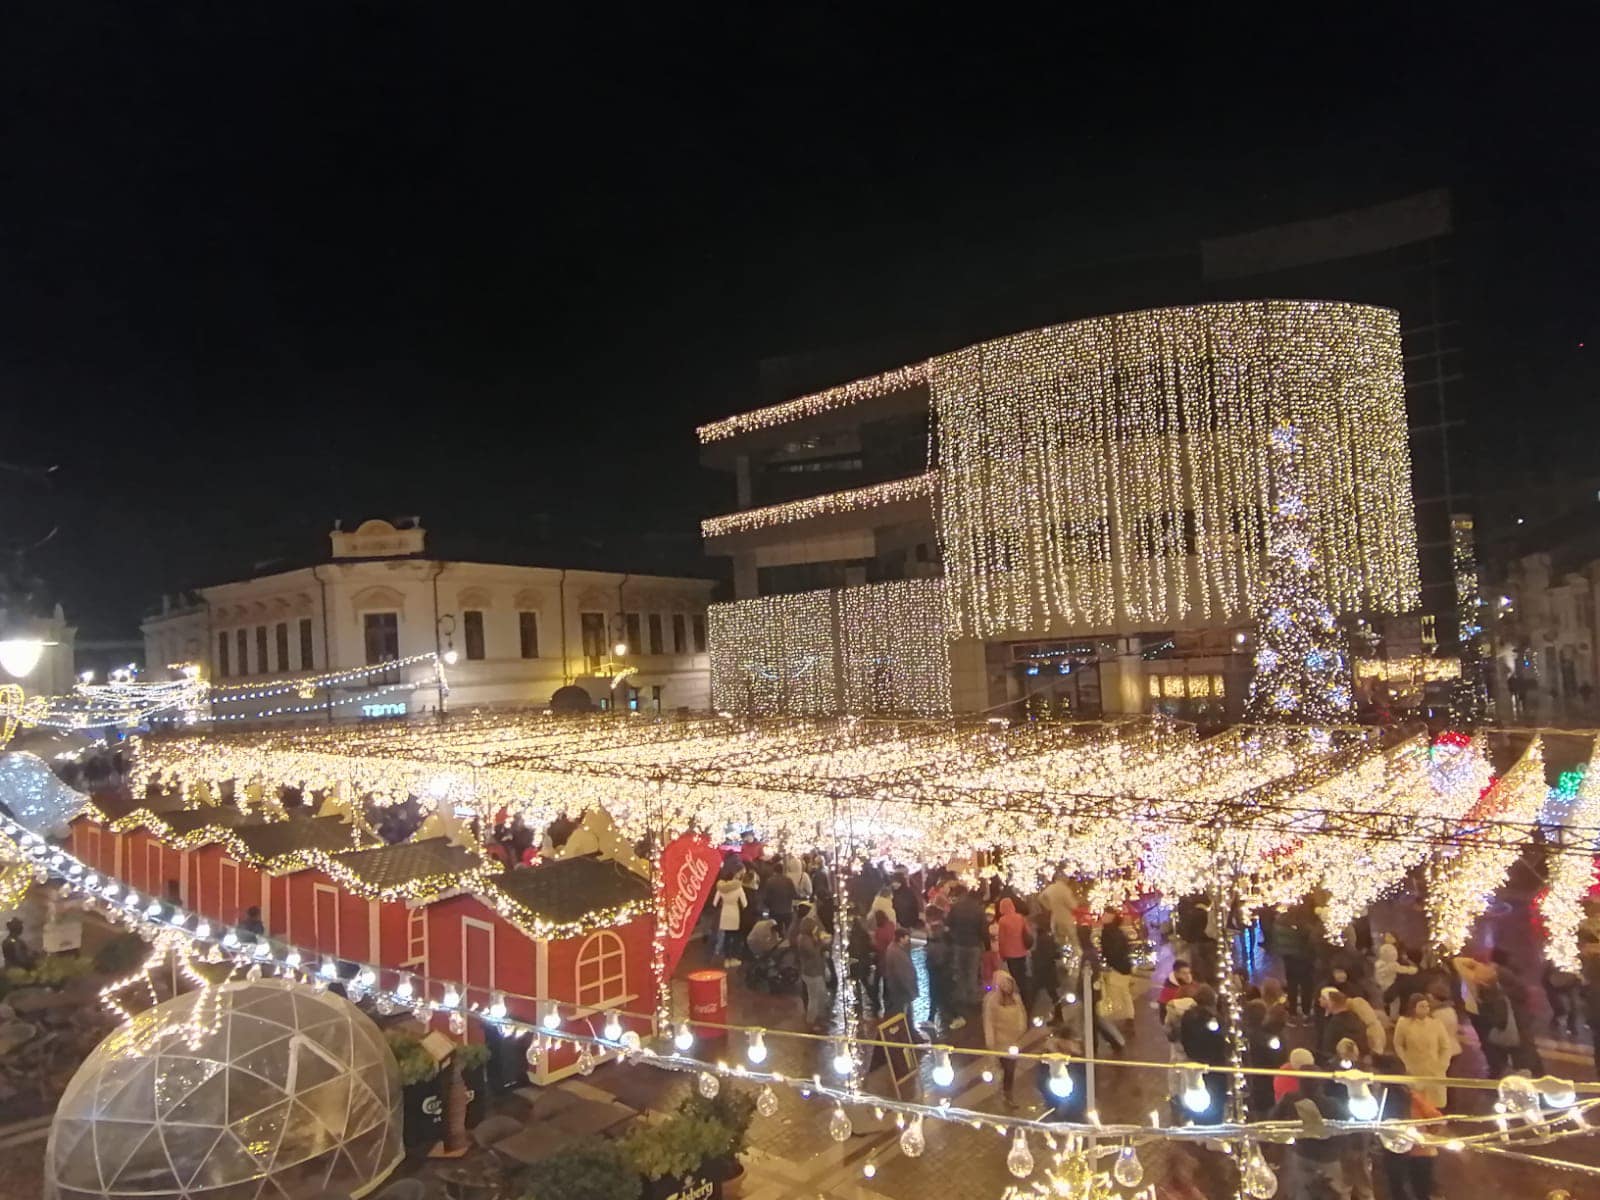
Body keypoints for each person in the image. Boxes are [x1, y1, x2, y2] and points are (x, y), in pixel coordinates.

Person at [1373, 1055, 1443, 1200]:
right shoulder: (1408, 1094)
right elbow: (1437, 1119)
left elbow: (1437, 1119)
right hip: (1418, 1152)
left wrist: (1421, 1136)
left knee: (1404, 1190)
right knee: (1418, 1192)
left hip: (1412, 1153)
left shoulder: (1399, 1096)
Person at [1270, 1076, 1350, 1198]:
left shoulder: (1291, 1099)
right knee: (1333, 1193)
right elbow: (1347, 1129)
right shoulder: (1333, 1104)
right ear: (1321, 1083)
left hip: (1302, 1154)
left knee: (1302, 1194)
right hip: (1328, 1157)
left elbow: (1273, 1119)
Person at [1178, 984, 1229, 1122]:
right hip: (1213, 1066)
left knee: (1195, 1095)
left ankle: (1198, 1125)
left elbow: (1183, 1038)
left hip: (1193, 1062)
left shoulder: (1187, 1016)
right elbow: (1221, 1042)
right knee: (1215, 1100)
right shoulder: (1214, 1020)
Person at [1392, 992, 1452, 1109]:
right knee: (1417, 1103)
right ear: (1414, 1008)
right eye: (1421, 1006)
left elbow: (1445, 1047)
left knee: (1434, 1105)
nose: (1425, 1009)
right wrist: (1405, 1062)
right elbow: (1398, 1044)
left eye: (1427, 1006)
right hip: (1414, 1069)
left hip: (1434, 1070)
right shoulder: (1404, 1023)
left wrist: (1442, 1064)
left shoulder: (1436, 1023)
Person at [983, 968, 1030, 1107]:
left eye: (1008, 983)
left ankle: (1006, 1092)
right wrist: (990, 1042)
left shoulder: (1016, 999)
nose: (1007, 987)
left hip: (1013, 1042)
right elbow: (989, 1022)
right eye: (1003, 984)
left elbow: (1022, 1015)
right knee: (1006, 1069)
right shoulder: (992, 1002)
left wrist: (1021, 1029)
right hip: (1000, 1043)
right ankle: (1006, 1094)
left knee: (1010, 1070)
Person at [945, 884, 987, 1029]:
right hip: (974, 945)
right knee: (972, 972)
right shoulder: (978, 909)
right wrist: (986, 945)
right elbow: (983, 929)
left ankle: (962, 996)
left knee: (961, 971)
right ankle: (972, 998)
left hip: (959, 944)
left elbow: (948, 923)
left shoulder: (956, 907)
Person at [1271, 905, 1317, 1020]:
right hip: (1304, 959)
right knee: (1306, 986)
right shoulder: (1301, 925)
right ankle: (1306, 1013)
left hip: (1288, 959)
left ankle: (1292, 1013)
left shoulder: (1279, 923)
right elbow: (1310, 939)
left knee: (1292, 985)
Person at [794, 914, 831, 1031]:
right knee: (814, 998)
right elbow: (813, 953)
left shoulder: (806, 937)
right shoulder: (805, 940)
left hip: (814, 971)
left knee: (821, 995)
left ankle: (819, 1018)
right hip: (812, 973)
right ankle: (811, 1022)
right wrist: (821, 943)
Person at [1099, 911, 1135, 1030]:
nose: (1103, 916)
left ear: (1111, 918)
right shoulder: (1115, 932)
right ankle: (1129, 1018)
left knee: (1118, 994)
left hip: (1118, 967)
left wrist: (1110, 965)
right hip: (1123, 966)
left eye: (1106, 915)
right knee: (1124, 993)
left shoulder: (1109, 932)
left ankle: (1124, 1019)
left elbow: (1112, 951)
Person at [1318, 988, 1369, 1063]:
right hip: (1359, 1060)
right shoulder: (1355, 1017)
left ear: (1331, 1003)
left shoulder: (1336, 1023)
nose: (1319, 999)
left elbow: (1328, 1047)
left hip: (1339, 1062)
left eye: (1323, 998)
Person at [1028, 911, 1062, 1022]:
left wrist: (1035, 959)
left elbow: (1047, 955)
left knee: (1032, 996)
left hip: (1043, 971)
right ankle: (1058, 1016)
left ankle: (1027, 1018)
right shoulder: (1046, 937)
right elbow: (1056, 954)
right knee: (1052, 995)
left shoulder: (1043, 938)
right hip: (1047, 971)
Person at [882, 927, 919, 1030]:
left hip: (900, 989)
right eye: (907, 937)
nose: (908, 940)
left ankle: (909, 1032)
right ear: (901, 938)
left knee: (905, 1013)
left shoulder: (896, 949)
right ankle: (906, 1033)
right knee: (902, 1013)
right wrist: (911, 990)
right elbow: (902, 974)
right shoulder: (896, 953)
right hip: (901, 990)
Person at [995, 897, 1032, 992]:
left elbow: (1001, 940)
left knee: (1014, 976)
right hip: (1022, 951)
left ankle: (1017, 994)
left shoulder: (1002, 921)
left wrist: (1001, 954)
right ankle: (1026, 996)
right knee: (1022, 974)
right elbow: (1027, 932)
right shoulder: (1020, 917)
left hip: (1010, 953)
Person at [923, 928, 954, 1037]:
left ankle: (934, 1018)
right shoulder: (945, 947)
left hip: (936, 977)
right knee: (943, 998)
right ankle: (947, 1018)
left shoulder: (931, 948)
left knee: (936, 997)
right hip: (943, 977)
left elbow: (931, 963)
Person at [712, 871, 747, 964]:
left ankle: (726, 959)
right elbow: (745, 903)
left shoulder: (721, 888)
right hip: (734, 912)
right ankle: (734, 958)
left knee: (726, 936)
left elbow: (714, 903)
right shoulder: (738, 887)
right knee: (735, 936)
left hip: (725, 912)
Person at [1040, 871, 1081, 942]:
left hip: (1055, 918)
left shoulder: (1050, 888)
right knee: (1073, 941)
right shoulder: (1065, 889)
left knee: (1058, 941)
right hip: (1066, 919)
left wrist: (1049, 907)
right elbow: (1073, 905)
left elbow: (1041, 898)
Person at [763, 866, 798, 933]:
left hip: (775, 911)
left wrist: (769, 906)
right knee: (789, 931)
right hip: (788, 910)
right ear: (783, 871)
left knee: (777, 933)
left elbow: (766, 898)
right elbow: (794, 894)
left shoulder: (770, 881)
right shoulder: (788, 880)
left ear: (774, 871)